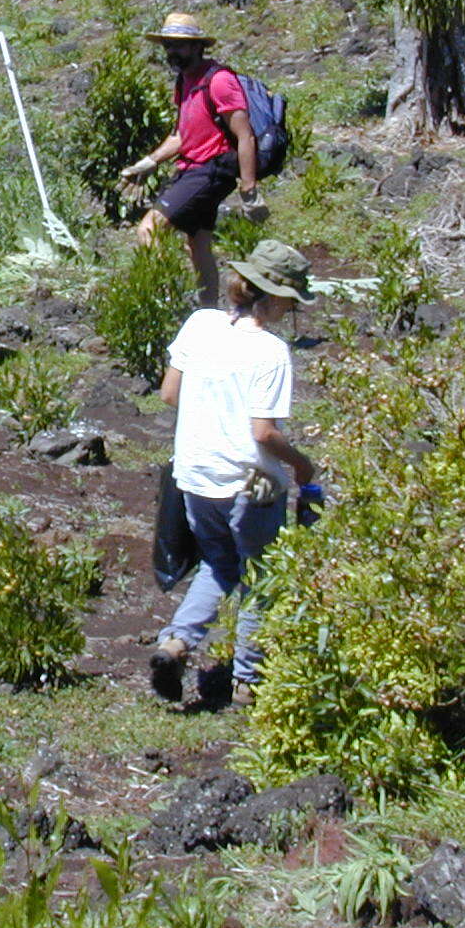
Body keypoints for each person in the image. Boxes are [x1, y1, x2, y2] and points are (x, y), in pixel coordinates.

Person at [149, 239, 318, 706]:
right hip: (249, 484)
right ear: (275, 296)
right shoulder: (271, 352)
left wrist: (211, 412)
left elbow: (169, 394)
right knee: (261, 576)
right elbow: (263, 433)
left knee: (219, 563)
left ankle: (176, 643)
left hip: (195, 474)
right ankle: (248, 680)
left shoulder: (200, 325)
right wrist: (304, 465)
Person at [117, 12, 267, 306]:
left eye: (180, 45)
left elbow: (244, 135)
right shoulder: (185, 81)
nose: (173, 52)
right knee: (198, 245)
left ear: (198, 47)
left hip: (210, 169)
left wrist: (249, 191)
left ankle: (167, 303)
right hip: (192, 168)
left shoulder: (220, 81)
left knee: (149, 229)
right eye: (168, 45)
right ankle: (209, 313)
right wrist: (149, 163)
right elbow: (182, 135)